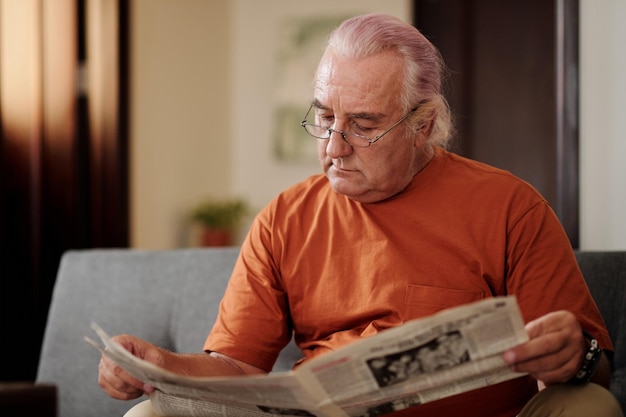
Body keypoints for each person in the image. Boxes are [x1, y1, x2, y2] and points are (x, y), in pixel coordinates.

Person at [98, 13, 623, 417]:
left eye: (363, 124)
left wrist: (574, 354)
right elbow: (236, 367)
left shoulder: (511, 207)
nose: (334, 145)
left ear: (424, 123)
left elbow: (592, 371)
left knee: (590, 407)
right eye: (325, 116)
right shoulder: (284, 219)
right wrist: (160, 366)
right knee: (149, 413)